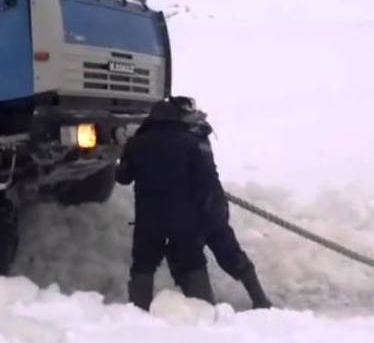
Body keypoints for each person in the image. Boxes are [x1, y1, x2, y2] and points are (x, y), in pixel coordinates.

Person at [116, 96, 271, 311]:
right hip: (187, 218)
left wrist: (128, 151)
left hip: (149, 218)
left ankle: (138, 312)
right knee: (194, 262)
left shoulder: (138, 143)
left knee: (143, 264)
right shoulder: (192, 142)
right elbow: (208, 181)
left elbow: (122, 177)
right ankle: (213, 311)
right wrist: (216, 215)